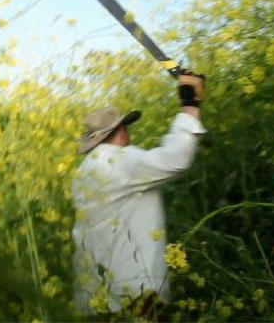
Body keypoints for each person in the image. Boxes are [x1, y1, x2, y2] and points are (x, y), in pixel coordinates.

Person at [71, 70, 206, 318]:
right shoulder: (120, 161)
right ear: (121, 130)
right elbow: (177, 157)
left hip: (95, 298)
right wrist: (190, 103)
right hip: (134, 294)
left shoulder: (82, 175)